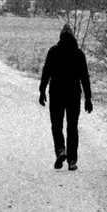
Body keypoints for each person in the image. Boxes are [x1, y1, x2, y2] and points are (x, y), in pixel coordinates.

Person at [37, 23, 93, 169]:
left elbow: (46, 72)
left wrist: (42, 91)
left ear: (61, 36)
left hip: (56, 93)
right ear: (73, 37)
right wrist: (88, 98)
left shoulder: (53, 51)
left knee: (57, 125)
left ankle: (61, 150)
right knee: (72, 127)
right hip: (73, 94)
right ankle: (72, 160)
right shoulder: (79, 54)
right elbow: (85, 77)